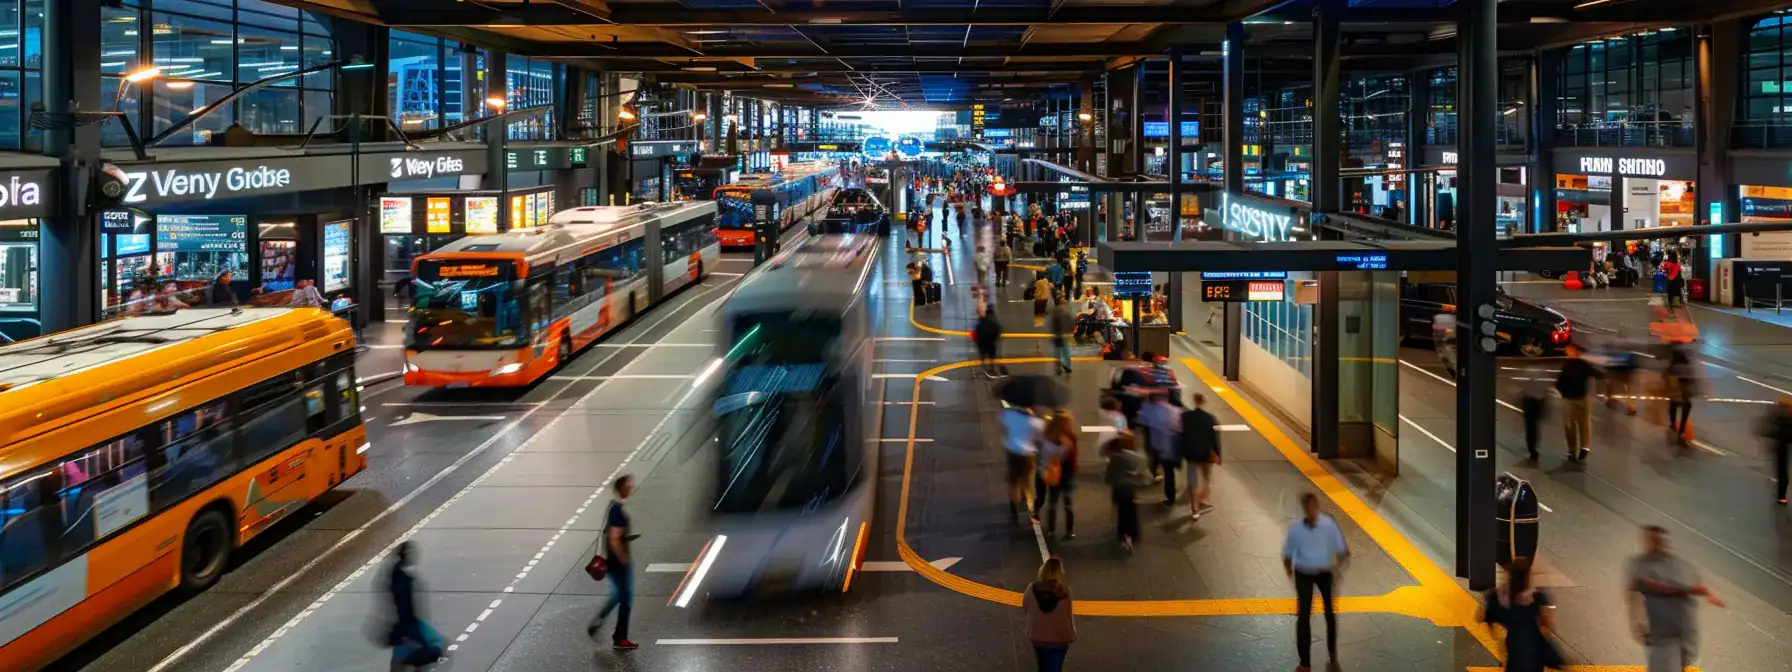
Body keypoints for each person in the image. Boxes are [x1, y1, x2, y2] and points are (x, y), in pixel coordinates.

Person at [1627, 525, 1723, 672]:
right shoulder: (1640, 564)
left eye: (1659, 540)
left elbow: (1694, 582)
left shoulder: (1679, 564)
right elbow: (1648, 586)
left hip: (1685, 631)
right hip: (1663, 635)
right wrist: (1636, 621)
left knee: (1682, 665)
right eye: (1652, 540)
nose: (1656, 544)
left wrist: (1699, 596)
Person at [1284, 492, 1349, 672]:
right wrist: (1289, 569)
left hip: (1323, 573)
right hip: (1303, 573)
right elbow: (1288, 553)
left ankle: (1333, 654)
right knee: (1303, 616)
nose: (1311, 512)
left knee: (1329, 612)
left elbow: (1342, 550)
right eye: (1308, 509)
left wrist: (1338, 568)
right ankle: (1305, 663)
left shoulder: (1328, 525)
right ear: (1305, 511)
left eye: (1314, 508)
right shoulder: (1296, 529)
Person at [588, 474, 640, 650]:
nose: (631, 487)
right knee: (625, 599)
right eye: (628, 485)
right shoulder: (617, 509)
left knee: (619, 595)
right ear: (621, 488)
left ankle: (598, 622)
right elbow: (614, 539)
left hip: (612, 560)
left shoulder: (613, 506)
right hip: (618, 562)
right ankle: (620, 638)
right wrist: (624, 558)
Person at [1482, 560, 1562, 672]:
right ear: (1527, 577)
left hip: (1514, 649)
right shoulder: (1537, 597)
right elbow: (1548, 625)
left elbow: (1488, 618)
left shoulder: (1498, 598)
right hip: (1534, 652)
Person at [385, 542, 445, 670]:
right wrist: (410, 633)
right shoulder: (403, 580)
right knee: (431, 648)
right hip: (408, 626)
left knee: (401, 660)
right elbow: (405, 607)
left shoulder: (395, 574)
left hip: (405, 626)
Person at [1024, 557, 1077, 672]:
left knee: (1042, 664)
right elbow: (1068, 616)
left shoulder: (1032, 588)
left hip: (1037, 637)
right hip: (1059, 639)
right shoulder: (1064, 593)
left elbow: (1026, 606)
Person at [1033, 411, 1078, 539]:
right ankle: (1054, 529)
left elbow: (1067, 458)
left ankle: (1064, 530)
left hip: (1064, 474)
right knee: (1056, 502)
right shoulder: (1058, 439)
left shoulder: (1069, 440)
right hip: (1056, 474)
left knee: (1063, 503)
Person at [1102, 433, 1150, 552]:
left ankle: (1123, 535)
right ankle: (1133, 535)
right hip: (1131, 490)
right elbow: (1142, 473)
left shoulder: (1115, 459)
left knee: (1121, 513)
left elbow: (1109, 477)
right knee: (1132, 512)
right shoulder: (1137, 458)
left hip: (1119, 489)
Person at [1555, 345, 1602, 463]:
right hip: (1569, 398)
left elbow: (1599, 374)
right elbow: (1559, 381)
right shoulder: (1567, 364)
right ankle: (1572, 449)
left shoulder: (1584, 364)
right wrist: (1562, 391)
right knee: (1569, 425)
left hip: (1581, 398)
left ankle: (1584, 447)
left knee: (1584, 424)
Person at [1179, 393, 1221, 520]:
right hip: (1206, 453)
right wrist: (1218, 455)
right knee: (1206, 478)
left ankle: (1194, 509)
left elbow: (1181, 434)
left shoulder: (1185, 416)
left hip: (1191, 452)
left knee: (1192, 481)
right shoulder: (1210, 418)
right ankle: (1203, 499)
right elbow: (1215, 439)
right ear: (1203, 402)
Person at [1003, 405, 1045, 524]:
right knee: (1029, 481)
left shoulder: (1009, 417)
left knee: (1013, 482)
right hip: (1027, 454)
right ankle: (1031, 509)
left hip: (1012, 452)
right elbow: (1040, 437)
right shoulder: (1035, 422)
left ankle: (1013, 509)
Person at [1138, 392, 1182, 506]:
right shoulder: (1176, 411)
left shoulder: (1149, 411)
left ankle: (1156, 474)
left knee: (1157, 463)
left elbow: (1144, 426)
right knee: (1169, 473)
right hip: (1172, 446)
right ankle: (1170, 497)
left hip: (1157, 446)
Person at [1663, 347, 1698, 446]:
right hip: (1685, 394)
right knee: (1686, 407)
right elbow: (1693, 381)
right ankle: (1682, 429)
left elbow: (1665, 378)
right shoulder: (1688, 367)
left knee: (1672, 404)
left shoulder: (1672, 367)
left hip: (1675, 394)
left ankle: (1673, 424)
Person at [1767, 396, 1792, 505]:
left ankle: (1782, 496)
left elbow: (1769, 427)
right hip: (1782, 443)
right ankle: (1782, 496)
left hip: (1782, 443)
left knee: (1782, 469)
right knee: (1782, 470)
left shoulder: (1778, 416)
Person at [974, 307, 1005, 378]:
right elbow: (998, 329)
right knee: (991, 355)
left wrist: (977, 340)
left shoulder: (980, 323)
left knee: (983, 355)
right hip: (991, 342)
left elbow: (977, 333)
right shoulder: (992, 322)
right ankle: (991, 368)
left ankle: (984, 368)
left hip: (983, 342)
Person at [1047, 301, 1074, 375]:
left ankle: (1065, 367)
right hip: (1058, 336)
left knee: (1062, 352)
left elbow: (1070, 324)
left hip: (1061, 336)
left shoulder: (1065, 314)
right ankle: (1062, 367)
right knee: (1060, 352)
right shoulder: (1057, 314)